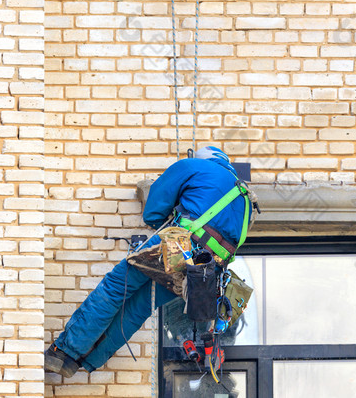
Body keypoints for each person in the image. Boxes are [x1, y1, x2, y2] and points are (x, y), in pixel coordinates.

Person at [44, 146, 252, 377]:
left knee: (115, 289)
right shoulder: (246, 199)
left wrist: (166, 223)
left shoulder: (195, 166)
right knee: (139, 308)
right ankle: (87, 361)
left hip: (179, 247)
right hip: (202, 271)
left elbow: (154, 208)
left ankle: (63, 353)